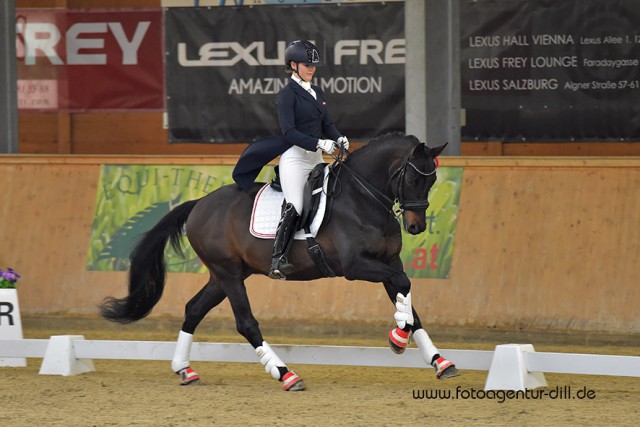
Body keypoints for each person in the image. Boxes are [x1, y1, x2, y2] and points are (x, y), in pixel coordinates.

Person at [267, 40, 349, 279]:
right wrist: (319, 143)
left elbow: (327, 125)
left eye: (313, 65)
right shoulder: (286, 95)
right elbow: (289, 132)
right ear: (293, 65)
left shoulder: (317, 92)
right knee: (297, 205)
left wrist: (338, 137)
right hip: (295, 159)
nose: (311, 69)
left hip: (316, 158)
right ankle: (277, 258)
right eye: (306, 65)